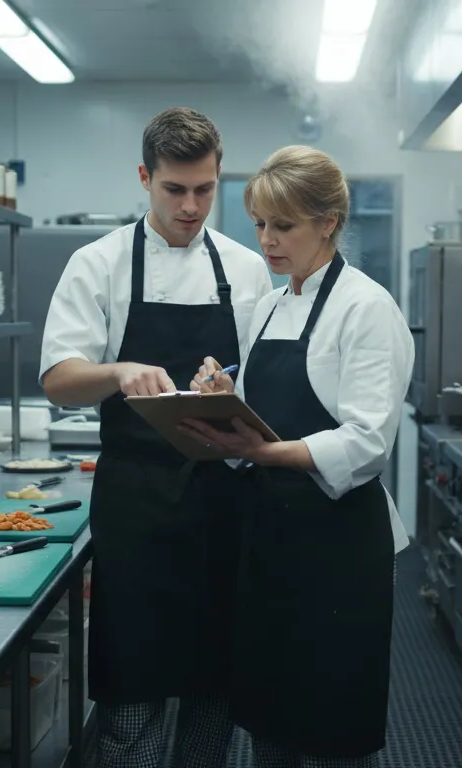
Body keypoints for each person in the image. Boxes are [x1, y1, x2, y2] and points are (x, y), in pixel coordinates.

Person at [39, 107, 274, 767]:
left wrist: (224, 383)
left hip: (224, 507)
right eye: (175, 189)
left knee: (214, 695)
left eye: (204, 189)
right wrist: (117, 371)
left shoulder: (246, 270)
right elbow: (59, 380)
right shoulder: (100, 264)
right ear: (145, 178)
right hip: (136, 511)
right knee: (132, 697)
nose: (192, 205)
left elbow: (262, 383)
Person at [181, 145, 414, 767]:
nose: (267, 241)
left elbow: (367, 442)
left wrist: (262, 450)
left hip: (337, 543)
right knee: (268, 713)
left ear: (328, 221)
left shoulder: (366, 308)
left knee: (328, 718)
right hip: (269, 535)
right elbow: (263, 418)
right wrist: (225, 401)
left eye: (283, 226)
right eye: (259, 224)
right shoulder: (269, 306)